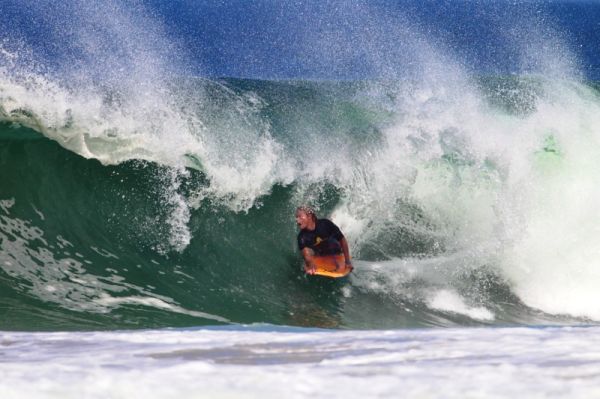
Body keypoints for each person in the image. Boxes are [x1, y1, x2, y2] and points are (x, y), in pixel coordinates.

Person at [295, 206, 353, 275]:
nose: (297, 220)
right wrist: (310, 264)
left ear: (309, 216)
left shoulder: (325, 224)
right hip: (322, 254)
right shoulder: (302, 237)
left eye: (300, 217)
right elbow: (306, 253)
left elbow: (342, 240)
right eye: (296, 217)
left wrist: (347, 261)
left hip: (337, 251)